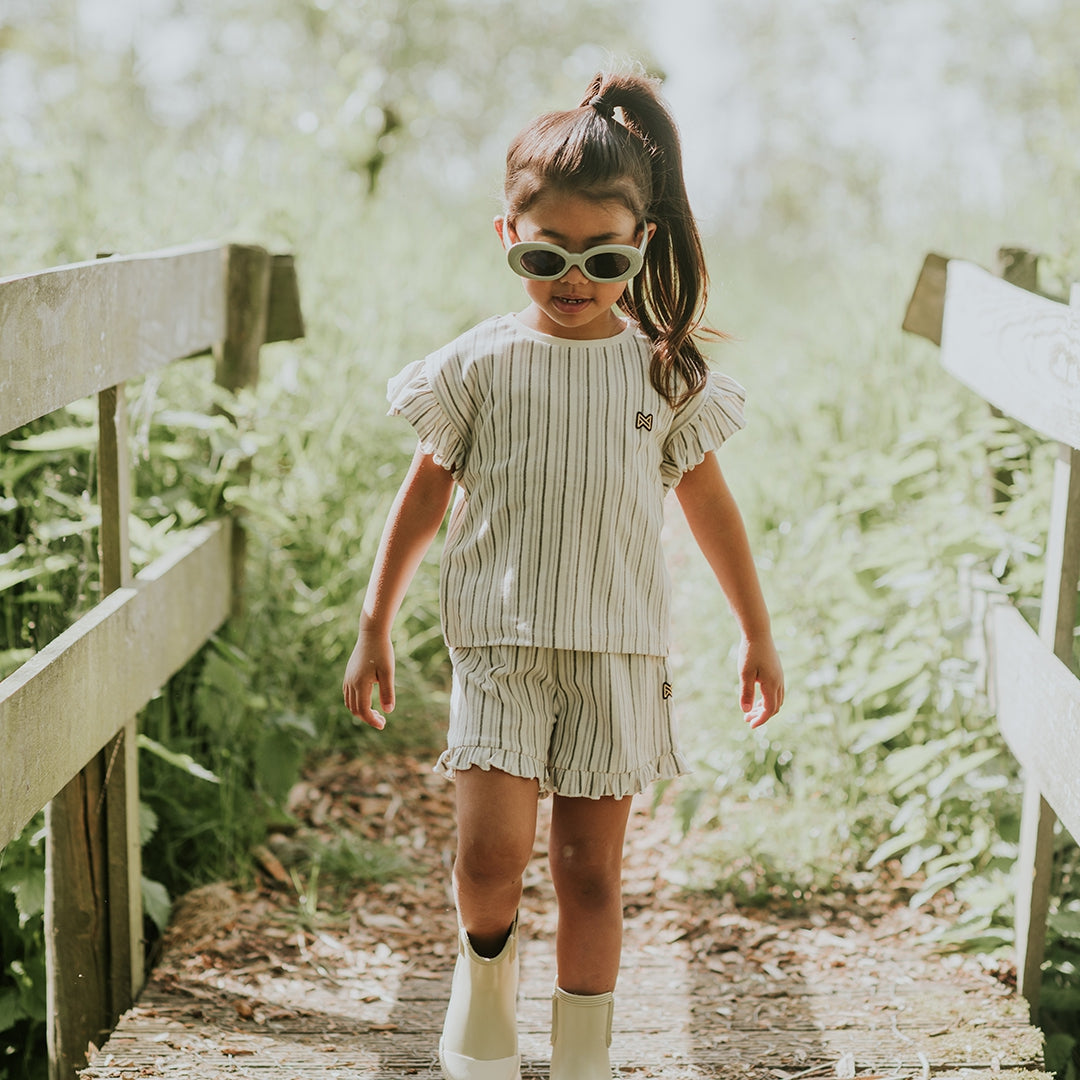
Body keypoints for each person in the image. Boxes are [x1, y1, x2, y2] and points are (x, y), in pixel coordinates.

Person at [343, 69, 784, 1080]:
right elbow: (422, 499)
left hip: (618, 653)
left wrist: (757, 631)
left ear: (642, 246)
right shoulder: (479, 366)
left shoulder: (659, 373)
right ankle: (484, 996)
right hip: (501, 646)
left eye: (603, 256)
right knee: (489, 861)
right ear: (508, 238)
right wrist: (375, 621)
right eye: (546, 255)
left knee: (591, 875)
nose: (574, 278)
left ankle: (583, 1058)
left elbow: (711, 510)